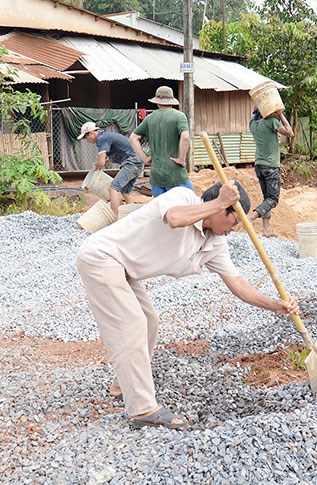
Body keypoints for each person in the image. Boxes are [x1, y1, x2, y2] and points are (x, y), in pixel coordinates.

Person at [75, 181, 299, 429]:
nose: (234, 229)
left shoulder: (215, 244)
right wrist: (220, 201)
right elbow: (173, 218)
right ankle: (143, 410)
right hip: (102, 258)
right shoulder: (183, 198)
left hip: (126, 269)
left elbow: (237, 284)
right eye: (235, 222)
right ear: (220, 210)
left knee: (149, 321)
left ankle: (122, 386)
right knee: (132, 324)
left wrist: (274, 304)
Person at [130, 86, 192, 197]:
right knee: (189, 208)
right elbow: (185, 137)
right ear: (172, 101)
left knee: (162, 211)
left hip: (156, 176)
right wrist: (182, 159)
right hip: (176, 175)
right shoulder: (179, 116)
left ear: (157, 102)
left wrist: (144, 158)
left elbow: (133, 138)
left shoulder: (149, 118)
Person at [78, 121, 144, 219]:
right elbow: (109, 159)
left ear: (91, 133)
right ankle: (133, 217)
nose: (86, 139)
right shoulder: (105, 136)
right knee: (125, 191)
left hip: (132, 162)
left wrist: (96, 166)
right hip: (137, 162)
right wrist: (98, 164)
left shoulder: (101, 139)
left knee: (113, 188)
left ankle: (114, 217)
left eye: (86, 137)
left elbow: (101, 163)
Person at [247, 107, 294, 237]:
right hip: (271, 166)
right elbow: (290, 133)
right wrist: (281, 115)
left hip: (258, 165)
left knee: (266, 198)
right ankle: (253, 216)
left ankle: (266, 229)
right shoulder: (271, 121)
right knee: (273, 199)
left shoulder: (252, 123)